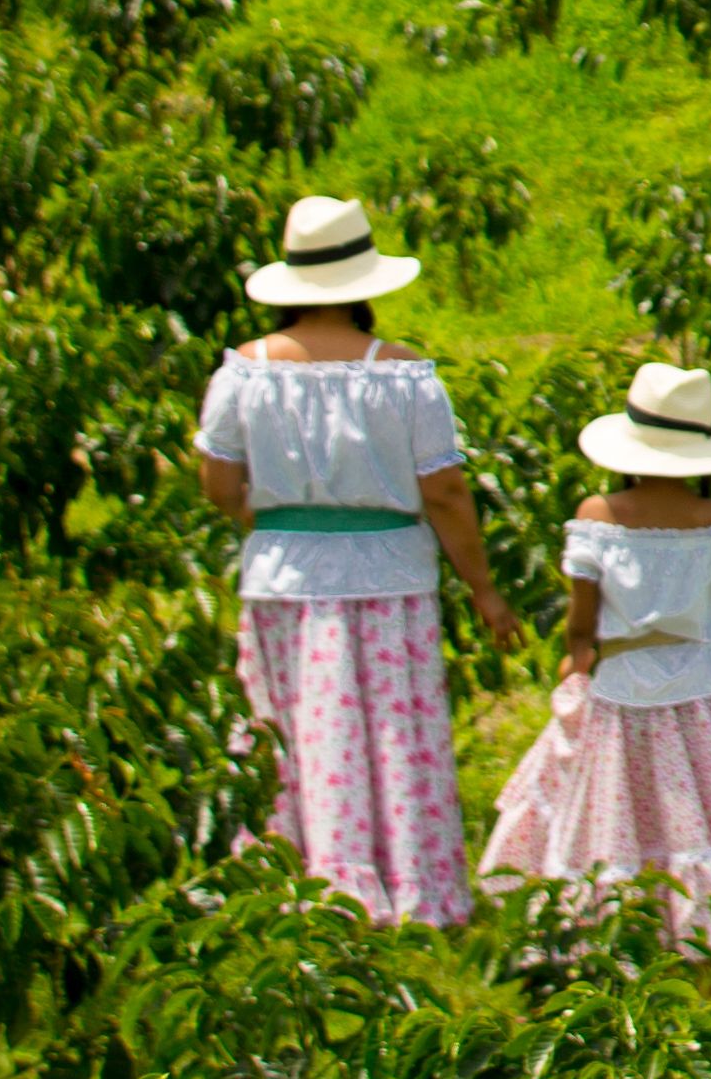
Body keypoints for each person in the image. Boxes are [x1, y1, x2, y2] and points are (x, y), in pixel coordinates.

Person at [189, 193, 520, 924]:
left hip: (282, 577)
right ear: (365, 285)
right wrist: (483, 589)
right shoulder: (402, 376)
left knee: (297, 727)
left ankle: (300, 882)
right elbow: (444, 491)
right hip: (388, 574)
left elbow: (218, 479)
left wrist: (272, 522)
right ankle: (407, 885)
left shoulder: (243, 373)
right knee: (392, 731)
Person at [477, 360, 711, 955]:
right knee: (702, 811)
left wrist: (580, 656)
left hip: (623, 682)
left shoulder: (598, 518)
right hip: (702, 687)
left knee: (620, 807)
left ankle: (612, 933)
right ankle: (705, 933)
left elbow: (582, 618)